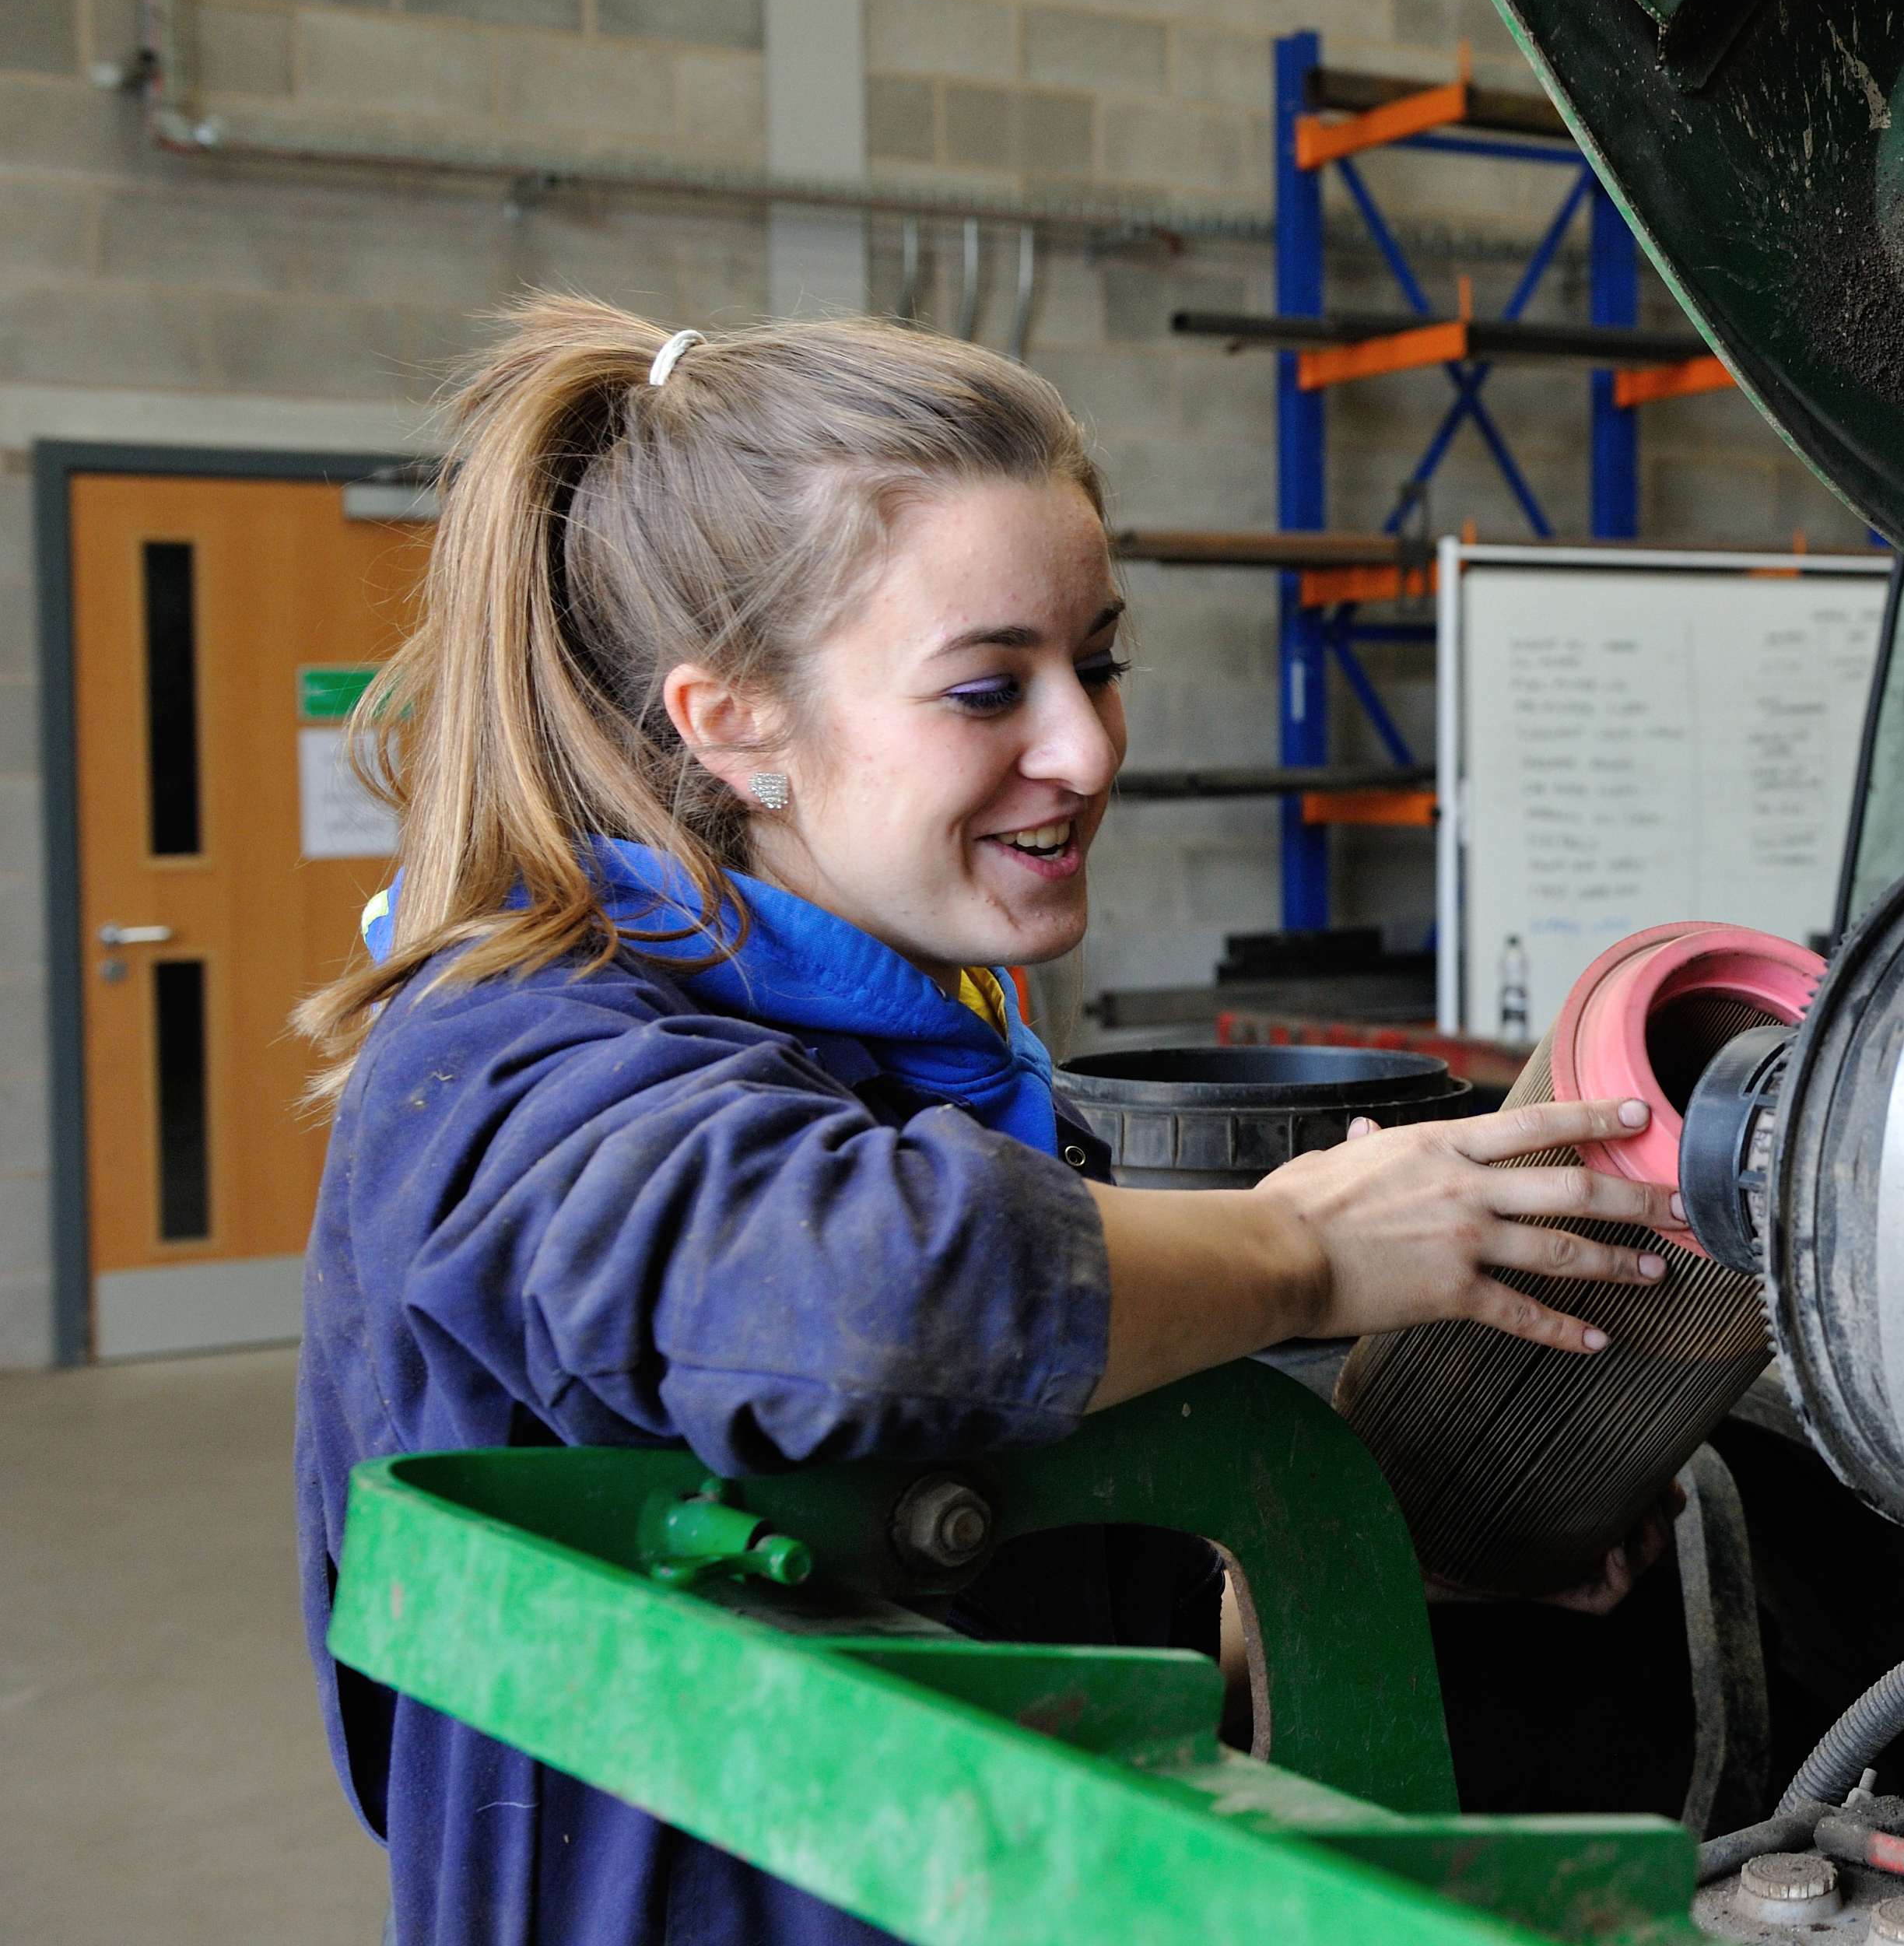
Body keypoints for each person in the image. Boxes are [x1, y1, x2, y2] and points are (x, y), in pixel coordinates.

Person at [292, 296, 1683, 1944]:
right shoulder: (504, 1062)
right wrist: (1306, 1250)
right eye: (984, 689)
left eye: (1095, 662)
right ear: (731, 721)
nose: (1086, 746)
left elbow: (1018, 1616)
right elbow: (857, 1302)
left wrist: (1353, 1563)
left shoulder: (920, 1053)